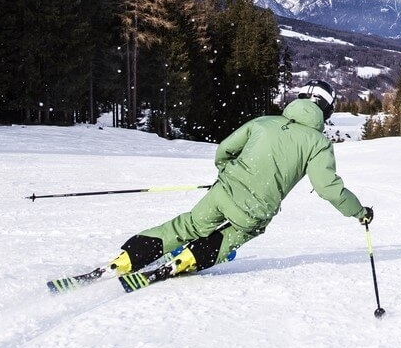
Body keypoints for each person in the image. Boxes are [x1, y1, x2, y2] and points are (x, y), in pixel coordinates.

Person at [106, 79, 373, 280]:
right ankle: (189, 259)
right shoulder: (318, 144)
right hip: (256, 209)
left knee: (187, 224)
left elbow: (225, 149)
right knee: (234, 235)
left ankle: (128, 257)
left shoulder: (263, 123)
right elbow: (328, 189)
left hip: (223, 191)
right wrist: (359, 212)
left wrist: (226, 174)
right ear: (326, 111)